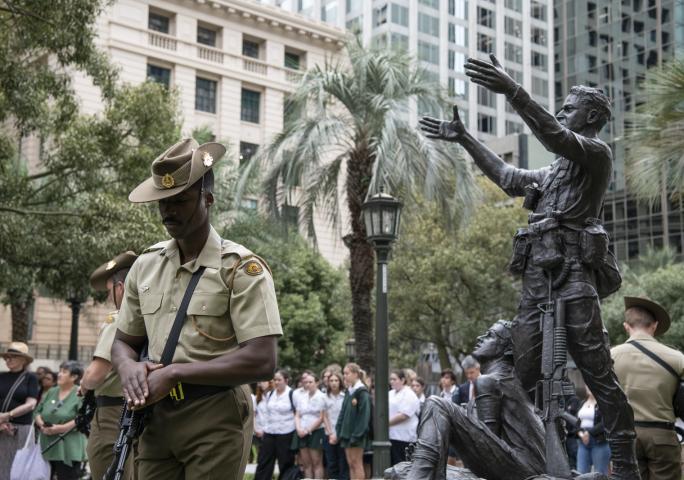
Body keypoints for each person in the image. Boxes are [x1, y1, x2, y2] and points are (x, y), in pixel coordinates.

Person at [420, 54, 639, 479]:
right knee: (516, 376)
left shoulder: (596, 154)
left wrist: (512, 90)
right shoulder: (555, 171)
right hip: (538, 280)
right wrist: (465, 138)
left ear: (591, 115)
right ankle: (510, 456)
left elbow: (556, 136)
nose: (561, 112)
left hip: (574, 278)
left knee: (599, 375)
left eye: (570, 107)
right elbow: (506, 175)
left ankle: (626, 466)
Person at [111, 138, 282, 480]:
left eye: (180, 201)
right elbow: (123, 341)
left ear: (208, 199)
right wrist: (128, 367)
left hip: (213, 414)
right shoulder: (145, 265)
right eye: (163, 202)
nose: (168, 211)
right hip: (155, 418)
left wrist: (175, 373)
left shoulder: (241, 268)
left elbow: (263, 359)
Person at [403, 321, 546, 480]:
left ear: (507, 349)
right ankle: (423, 467)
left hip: (523, 468)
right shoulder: (508, 379)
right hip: (524, 464)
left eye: (490, 335)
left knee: (436, 403)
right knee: (403, 468)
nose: (480, 337)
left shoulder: (490, 381)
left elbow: (486, 441)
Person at [611, 296, 684, 480]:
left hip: (625, 437)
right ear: (655, 325)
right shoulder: (677, 358)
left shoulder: (610, 357)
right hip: (662, 436)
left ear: (626, 326)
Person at [81, 250, 138, 480]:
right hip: (133, 410)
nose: (108, 298)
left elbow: (96, 374)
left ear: (121, 287)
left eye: (109, 291)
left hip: (111, 414)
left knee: (106, 470)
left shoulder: (118, 319)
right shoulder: (144, 318)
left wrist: (84, 386)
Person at [35, 360, 87, 480]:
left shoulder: (80, 393)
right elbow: (38, 411)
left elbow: (83, 418)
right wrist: (42, 425)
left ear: (74, 376)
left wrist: (60, 428)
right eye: (59, 371)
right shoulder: (52, 391)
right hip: (46, 445)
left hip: (68, 447)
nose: (59, 374)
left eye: (64, 372)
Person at [0, 342, 39, 478]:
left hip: (21, 428)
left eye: (12, 357)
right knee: (2, 466)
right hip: (1, 427)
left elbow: (31, 404)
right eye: (6, 357)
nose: (8, 360)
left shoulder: (31, 378)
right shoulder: (1, 376)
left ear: (23, 360)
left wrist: (8, 415)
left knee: (20, 466)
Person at [255, 369, 296, 480]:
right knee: (264, 461)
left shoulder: (292, 394)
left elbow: (297, 414)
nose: (277, 382)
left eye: (279, 380)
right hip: (269, 432)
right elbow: (267, 413)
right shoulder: (271, 393)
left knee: (285, 463)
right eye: (275, 380)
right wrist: (263, 428)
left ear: (286, 381)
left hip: (286, 432)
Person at [337, 363, 371, 480]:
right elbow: (343, 412)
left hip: (356, 436)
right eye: (344, 373)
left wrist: (357, 435)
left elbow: (364, 417)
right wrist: (339, 430)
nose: (344, 376)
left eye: (347, 373)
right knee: (351, 464)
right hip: (346, 434)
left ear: (356, 374)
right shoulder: (349, 391)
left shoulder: (362, 392)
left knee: (357, 464)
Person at [293, 372, 326, 478]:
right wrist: (298, 429)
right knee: (306, 464)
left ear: (317, 383)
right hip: (301, 432)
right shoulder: (301, 397)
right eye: (306, 382)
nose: (308, 384)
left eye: (311, 382)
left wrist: (307, 430)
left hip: (316, 432)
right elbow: (297, 415)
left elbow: (321, 418)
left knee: (317, 463)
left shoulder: (322, 397)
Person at [388, 369, 420, 465]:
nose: (392, 382)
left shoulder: (409, 394)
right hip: (391, 436)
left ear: (402, 380)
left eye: (394, 379)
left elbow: (403, 415)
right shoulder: (390, 393)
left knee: (403, 466)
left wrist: (385, 424)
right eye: (391, 379)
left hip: (405, 438)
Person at [576, 388, 610, 475]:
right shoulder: (582, 403)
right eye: (586, 385)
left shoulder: (603, 403)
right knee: (580, 473)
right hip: (582, 441)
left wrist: (589, 432)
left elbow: (606, 422)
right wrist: (580, 433)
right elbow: (577, 423)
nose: (588, 387)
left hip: (599, 441)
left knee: (600, 473)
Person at [323, 370, 348, 480]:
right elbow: (324, 416)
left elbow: (346, 417)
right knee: (331, 463)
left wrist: (337, 434)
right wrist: (331, 433)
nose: (333, 383)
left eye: (336, 380)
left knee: (343, 462)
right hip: (329, 434)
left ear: (340, 382)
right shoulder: (324, 397)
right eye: (331, 380)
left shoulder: (346, 396)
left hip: (342, 434)